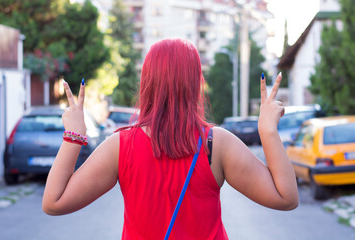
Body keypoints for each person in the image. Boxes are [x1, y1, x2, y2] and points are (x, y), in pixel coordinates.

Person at [42, 38, 298, 239]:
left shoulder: (120, 147)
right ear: (196, 82)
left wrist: (73, 136)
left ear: (147, 82)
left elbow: (53, 203)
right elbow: (286, 198)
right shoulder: (216, 144)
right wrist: (268, 131)